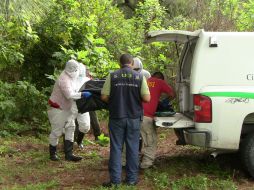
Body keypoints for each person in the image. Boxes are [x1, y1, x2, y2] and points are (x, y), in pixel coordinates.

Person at [101, 54, 150, 187]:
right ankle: (131, 180)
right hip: (134, 117)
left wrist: (115, 100)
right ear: (132, 63)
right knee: (133, 148)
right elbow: (147, 98)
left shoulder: (113, 75)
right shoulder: (140, 77)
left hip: (117, 116)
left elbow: (104, 96)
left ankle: (115, 181)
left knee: (116, 148)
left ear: (119, 63)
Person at [47, 59, 91, 162]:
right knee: (56, 131)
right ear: (71, 70)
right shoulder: (63, 79)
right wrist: (82, 95)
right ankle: (52, 154)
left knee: (70, 128)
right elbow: (69, 95)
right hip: (57, 108)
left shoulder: (71, 77)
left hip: (67, 108)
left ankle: (69, 154)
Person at [140, 71, 175, 169]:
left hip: (133, 115)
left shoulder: (145, 80)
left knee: (134, 140)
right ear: (161, 78)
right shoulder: (160, 82)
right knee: (151, 141)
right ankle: (146, 165)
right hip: (146, 116)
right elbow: (172, 94)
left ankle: (124, 162)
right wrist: (165, 101)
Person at [74, 62, 91, 149]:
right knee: (68, 126)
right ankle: (68, 146)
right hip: (70, 105)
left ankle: (79, 141)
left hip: (83, 106)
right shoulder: (69, 80)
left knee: (85, 126)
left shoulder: (87, 80)